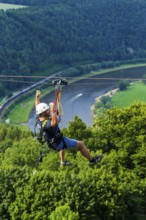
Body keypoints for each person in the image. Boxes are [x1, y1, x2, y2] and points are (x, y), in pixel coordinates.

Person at [35, 89, 103, 166]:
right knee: (81, 144)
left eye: (48, 110)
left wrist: (37, 97)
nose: (48, 112)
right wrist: (51, 109)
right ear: (42, 113)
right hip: (58, 142)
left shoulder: (39, 118)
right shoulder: (47, 124)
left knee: (62, 147)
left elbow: (37, 106)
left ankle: (63, 162)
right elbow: (54, 122)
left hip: (53, 142)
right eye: (46, 111)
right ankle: (92, 161)